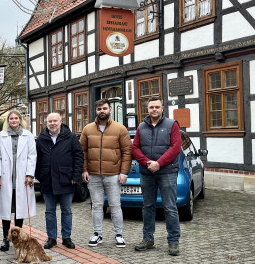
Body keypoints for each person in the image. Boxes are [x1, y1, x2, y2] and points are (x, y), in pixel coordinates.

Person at [132, 96, 182, 256]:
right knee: (147, 207)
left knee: (170, 208)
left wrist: (159, 163)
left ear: (162, 109)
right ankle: (148, 240)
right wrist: (147, 162)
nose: (154, 109)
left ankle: (173, 242)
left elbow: (176, 147)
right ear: (148, 109)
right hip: (147, 173)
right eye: (151, 107)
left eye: (157, 107)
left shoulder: (172, 125)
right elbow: (135, 148)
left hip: (167, 172)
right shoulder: (141, 127)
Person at [80, 99, 132, 248]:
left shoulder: (120, 129)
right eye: (99, 109)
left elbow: (127, 151)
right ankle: (97, 234)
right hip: (93, 174)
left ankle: (119, 235)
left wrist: (124, 172)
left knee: (115, 206)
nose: (102, 111)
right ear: (95, 111)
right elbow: (82, 151)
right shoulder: (87, 129)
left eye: (104, 108)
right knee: (96, 206)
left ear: (109, 110)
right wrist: (84, 169)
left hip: (114, 174)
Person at [35, 112, 83, 249]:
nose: (52, 124)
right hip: (47, 180)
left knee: (66, 210)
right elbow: (35, 160)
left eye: (55, 121)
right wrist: (40, 176)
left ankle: (66, 238)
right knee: (49, 211)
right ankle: (51, 238)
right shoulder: (41, 139)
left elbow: (79, 156)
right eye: (50, 121)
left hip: (66, 180)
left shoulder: (71, 136)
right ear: (47, 123)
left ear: (60, 121)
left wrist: (75, 176)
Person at [0, 110, 37, 252]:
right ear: (8, 120)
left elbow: (32, 156)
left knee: (20, 210)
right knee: (5, 211)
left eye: (16, 118)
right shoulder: (1, 135)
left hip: (22, 177)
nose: (13, 120)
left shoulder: (28, 135)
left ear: (20, 120)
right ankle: (6, 239)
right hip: (6, 177)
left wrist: (30, 174)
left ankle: (18, 239)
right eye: (11, 118)